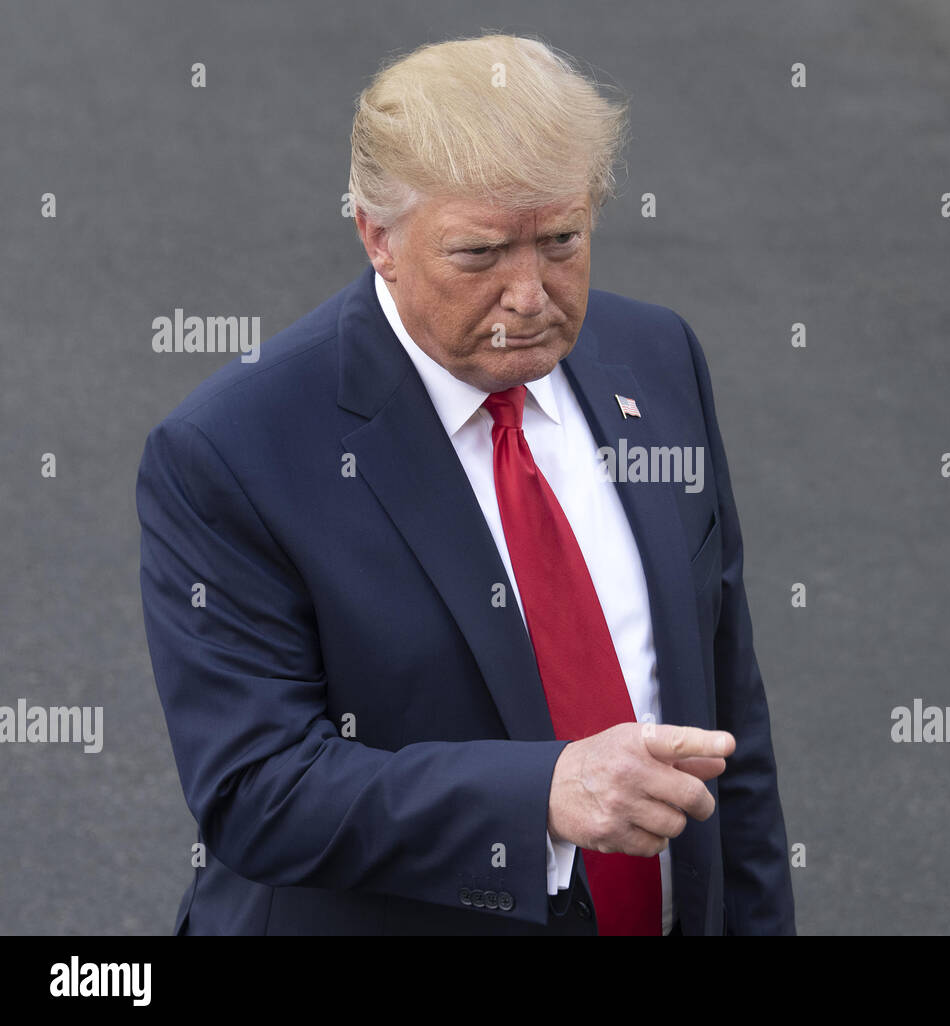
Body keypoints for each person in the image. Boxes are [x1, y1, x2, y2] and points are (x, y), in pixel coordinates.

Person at [136, 32, 795, 935]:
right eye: (480, 255)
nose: (530, 293)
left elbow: (730, 723)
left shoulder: (660, 358)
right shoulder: (231, 452)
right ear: (379, 237)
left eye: (561, 240)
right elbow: (259, 791)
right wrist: (540, 795)